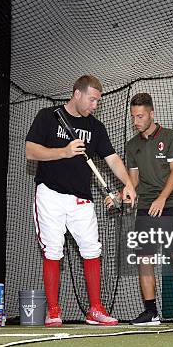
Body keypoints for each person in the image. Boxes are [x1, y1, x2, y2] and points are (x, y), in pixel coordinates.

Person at [26, 75, 136, 327]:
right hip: (50, 194)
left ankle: (95, 310)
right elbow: (30, 151)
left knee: (92, 250)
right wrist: (63, 152)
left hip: (81, 198)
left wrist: (128, 183)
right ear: (77, 93)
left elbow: (112, 159)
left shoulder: (96, 128)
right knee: (53, 251)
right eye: (92, 99)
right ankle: (53, 311)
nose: (95, 105)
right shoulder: (47, 116)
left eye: (98, 101)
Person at [107, 92, 173, 325]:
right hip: (145, 206)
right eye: (133, 117)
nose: (136, 121)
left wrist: (162, 198)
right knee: (144, 259)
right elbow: (133, 180)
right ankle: (151, 311)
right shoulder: (131, 146)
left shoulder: (171, 137)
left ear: (152, 114)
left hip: (172, 203)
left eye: (140, 116)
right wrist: (122, 193)